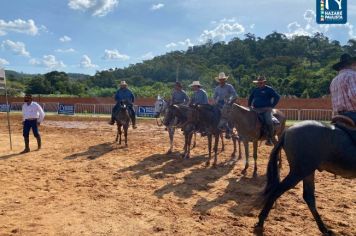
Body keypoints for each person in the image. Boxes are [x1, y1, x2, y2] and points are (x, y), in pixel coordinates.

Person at [248, 76, 280, 146]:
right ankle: (249, 135)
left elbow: (277, 97)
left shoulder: (269, 89)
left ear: (264, 83)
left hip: (266, 109)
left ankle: (270, 138)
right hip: (255, 109)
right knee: (248, 119)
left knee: (268, 121)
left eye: (261, 83)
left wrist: (271, 106)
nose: (259, 84)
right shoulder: (255, 90)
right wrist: (249, 105)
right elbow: (250, 98)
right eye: (258, 83)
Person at [330, 53, 356, 123]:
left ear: (340, 67)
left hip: (339, 116)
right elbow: (354, 96)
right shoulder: (352, 75)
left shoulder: (334, 80)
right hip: (353, 115)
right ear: (352, 64)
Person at [213, 72, 238, 139]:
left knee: (224, 113)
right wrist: (215, 101)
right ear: (219, 80)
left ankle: (228, 130)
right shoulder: (217, 88)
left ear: (225, 80)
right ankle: (213, 127)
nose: (221, 81)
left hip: (228, 103)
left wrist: (230, 100)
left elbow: (234, 95)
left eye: (223, 79)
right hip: (220, 103)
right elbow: (214, 97)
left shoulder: (229, 86)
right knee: (212, 110)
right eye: (220, 80)